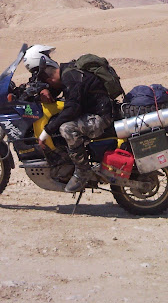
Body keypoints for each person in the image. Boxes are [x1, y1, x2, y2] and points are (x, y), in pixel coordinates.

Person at [23, 44, 114, 193]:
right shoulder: (67, 72)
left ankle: (83, 171)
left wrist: (47, 131)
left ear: (49, 77)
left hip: (101, 117)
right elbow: (59, 89)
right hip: (90, 113)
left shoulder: (71, 77)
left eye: (46, 81)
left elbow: (73, 108)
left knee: (67, 128)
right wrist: (41, 90)